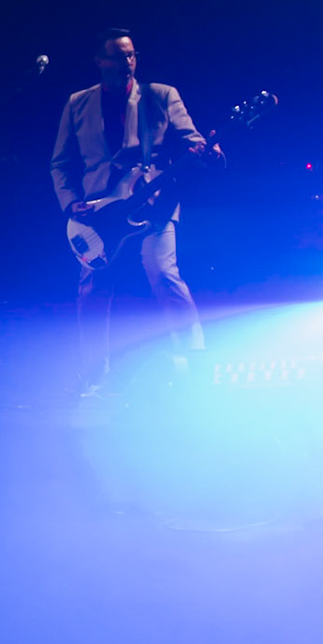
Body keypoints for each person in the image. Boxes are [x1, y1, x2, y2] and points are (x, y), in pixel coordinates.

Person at [50, 29, 214, 394]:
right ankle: (94, 375)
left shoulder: (160, 95)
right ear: (100, 61)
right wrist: (70, 201)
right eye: (117, 56)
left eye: (131, 55)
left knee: (163, 273)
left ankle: (195, 357)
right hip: (98, 212)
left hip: (153, 203)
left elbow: (192, 139)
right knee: (92, 289)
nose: (126, 62)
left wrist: (206, 151)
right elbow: (60, 163)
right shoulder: (78, 102)